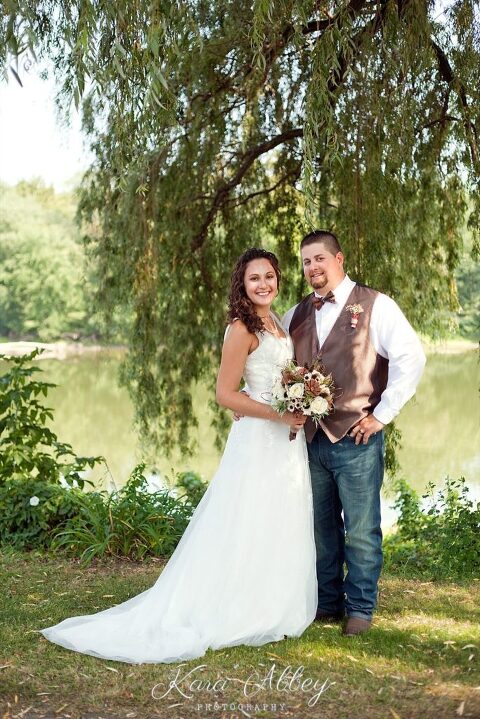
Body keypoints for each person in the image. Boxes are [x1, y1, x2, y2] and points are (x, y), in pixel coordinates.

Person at [39, 248, 317, 664]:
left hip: (283, 440)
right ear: (242, 284)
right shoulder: (241, 328)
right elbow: (225, 394)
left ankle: (273, 602)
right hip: (259, 437)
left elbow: (278, 379)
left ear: (278, 279)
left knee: (278, 514)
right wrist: (280, 413)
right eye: (254, 278)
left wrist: (300, 401)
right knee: (246, 515)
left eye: (270, 276)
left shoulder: (276, 321)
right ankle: (236, 607)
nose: (264, 284)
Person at [283, 229, 426, 636]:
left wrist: (381, 415)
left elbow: (411, 358)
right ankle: (327, 604)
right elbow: (272, 357)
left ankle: (360, 610)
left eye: (319, 259)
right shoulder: (295, 314)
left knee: (362, 530)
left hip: (357, 440)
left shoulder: (376, 306)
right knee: (321, 529)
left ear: (339, 259)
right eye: (306, 261)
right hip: (310, 442)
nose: (312, 268)